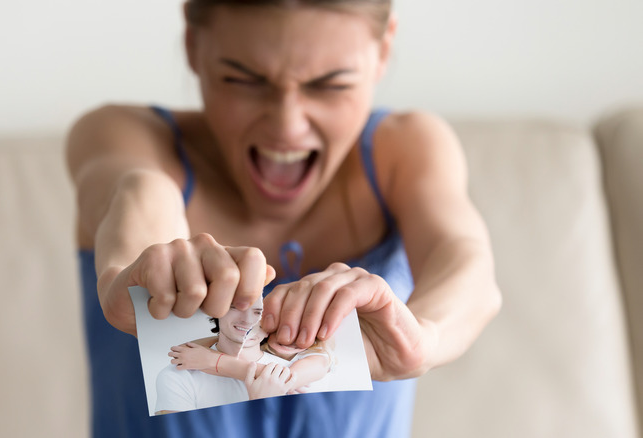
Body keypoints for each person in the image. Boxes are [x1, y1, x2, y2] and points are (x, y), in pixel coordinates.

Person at [66, 0, 502, 436]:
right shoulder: (122, 136)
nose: (287, 127)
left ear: (384, 49)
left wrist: (422, 339)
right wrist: (139, 267)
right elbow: (141, 194)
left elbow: (463, 258)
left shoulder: (404, 150)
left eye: (331, 84)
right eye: (243, 80)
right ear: (194, 45)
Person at [155, 297, 295, 414]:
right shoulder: (178, 375)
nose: (247, 320)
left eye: (259, 312)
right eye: (236, 308)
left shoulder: (294, 374)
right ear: (217, 312)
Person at [169, 330, 335, 394]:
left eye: (304, 333)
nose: (289, 338)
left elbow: (284, 379)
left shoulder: (319, 356)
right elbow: (182, 351)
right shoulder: (258, 350)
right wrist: (233, 335)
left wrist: (214, 361)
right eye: (281, 328)